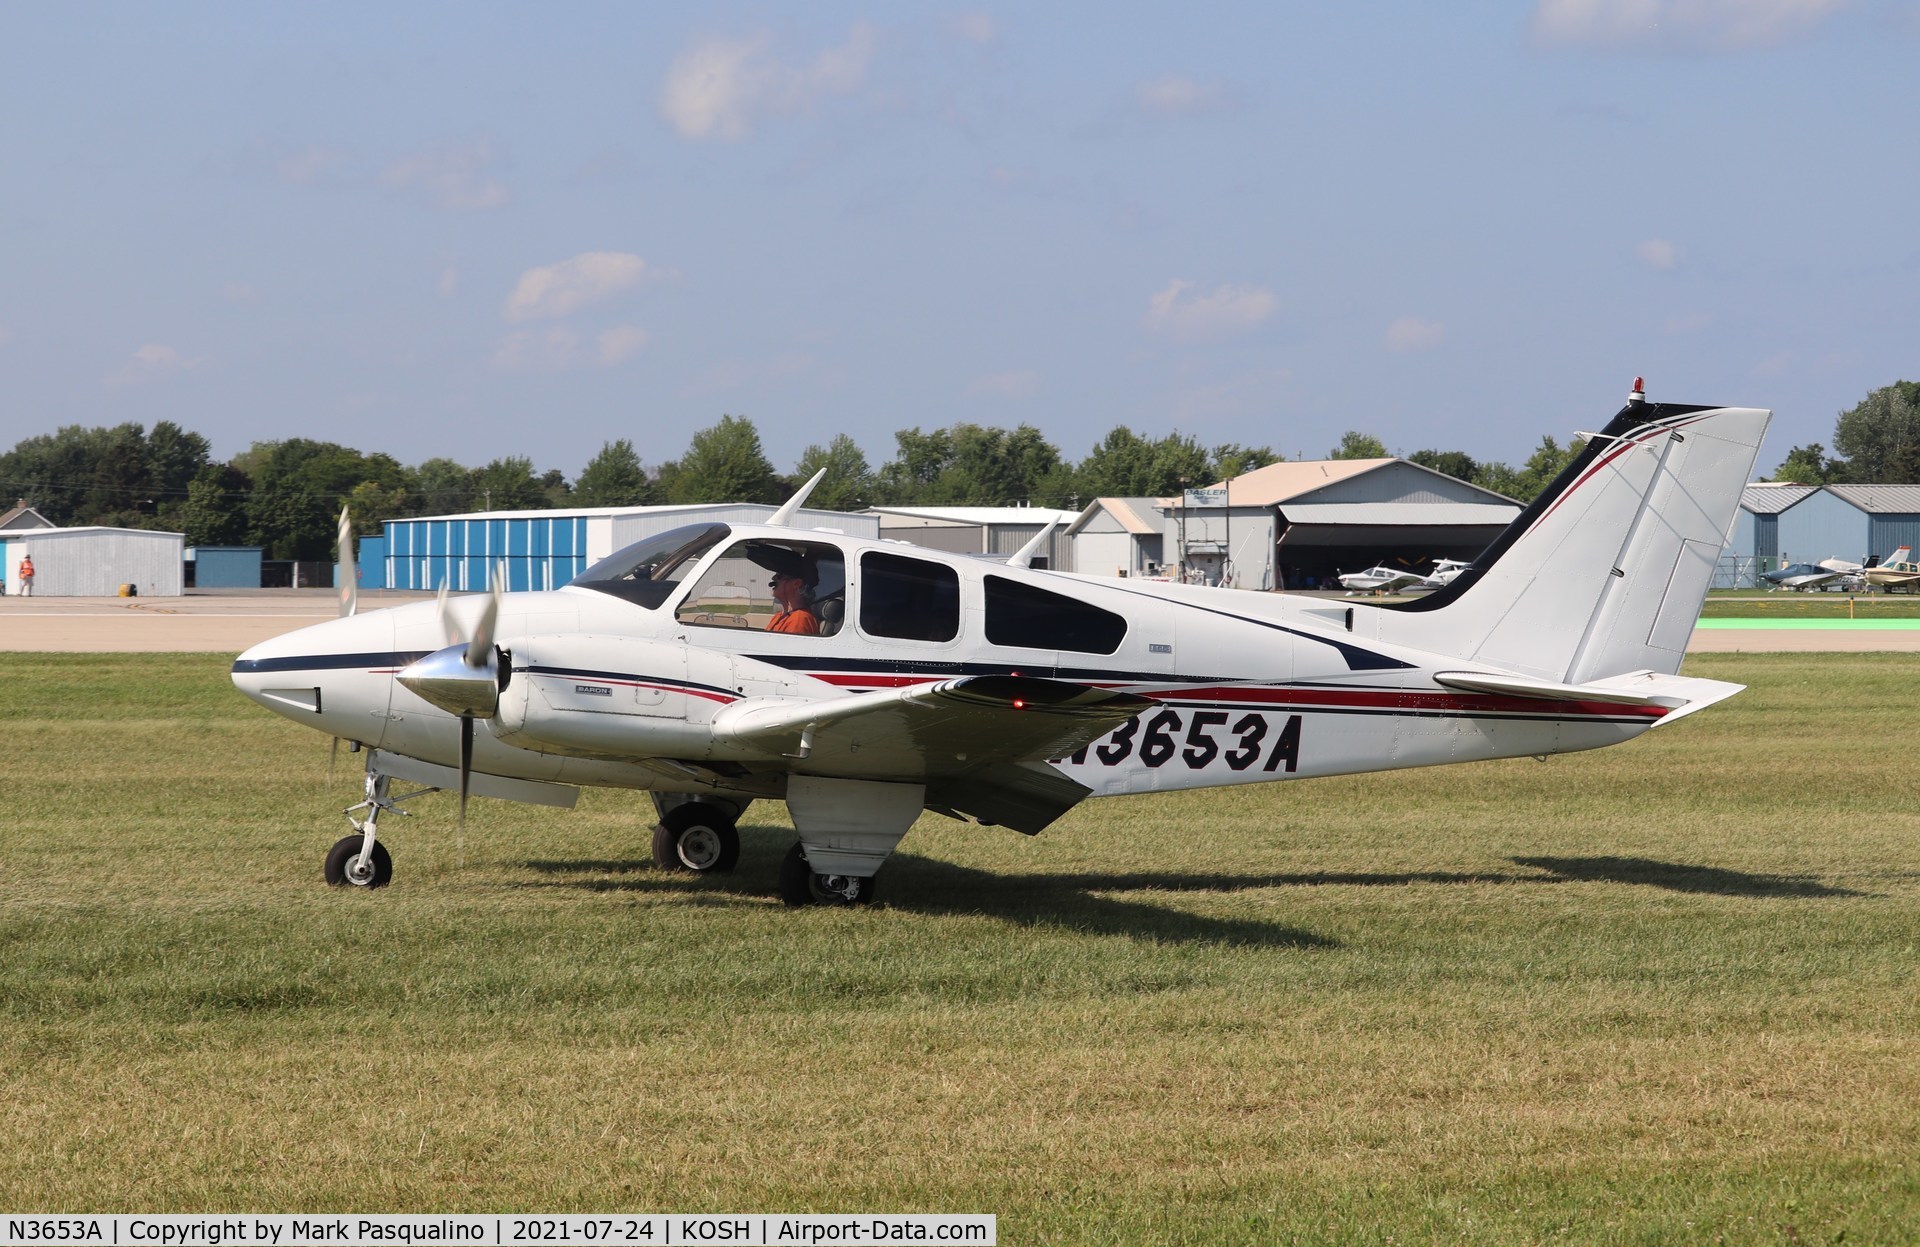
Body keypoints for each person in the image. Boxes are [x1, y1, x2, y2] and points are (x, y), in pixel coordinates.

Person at [766, 570, 819, 635]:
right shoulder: (778, 616)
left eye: (780, 575)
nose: (773, 578)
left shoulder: (798, 619)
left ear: (797, 583)